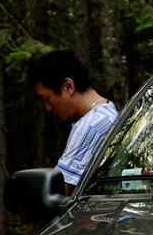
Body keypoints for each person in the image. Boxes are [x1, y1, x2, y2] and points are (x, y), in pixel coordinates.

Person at [27, 49, 118, 195]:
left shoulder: (93, 125)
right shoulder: (107, 113)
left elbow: (58, 191)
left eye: (46, 99)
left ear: (68, 86)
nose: (48, 108)